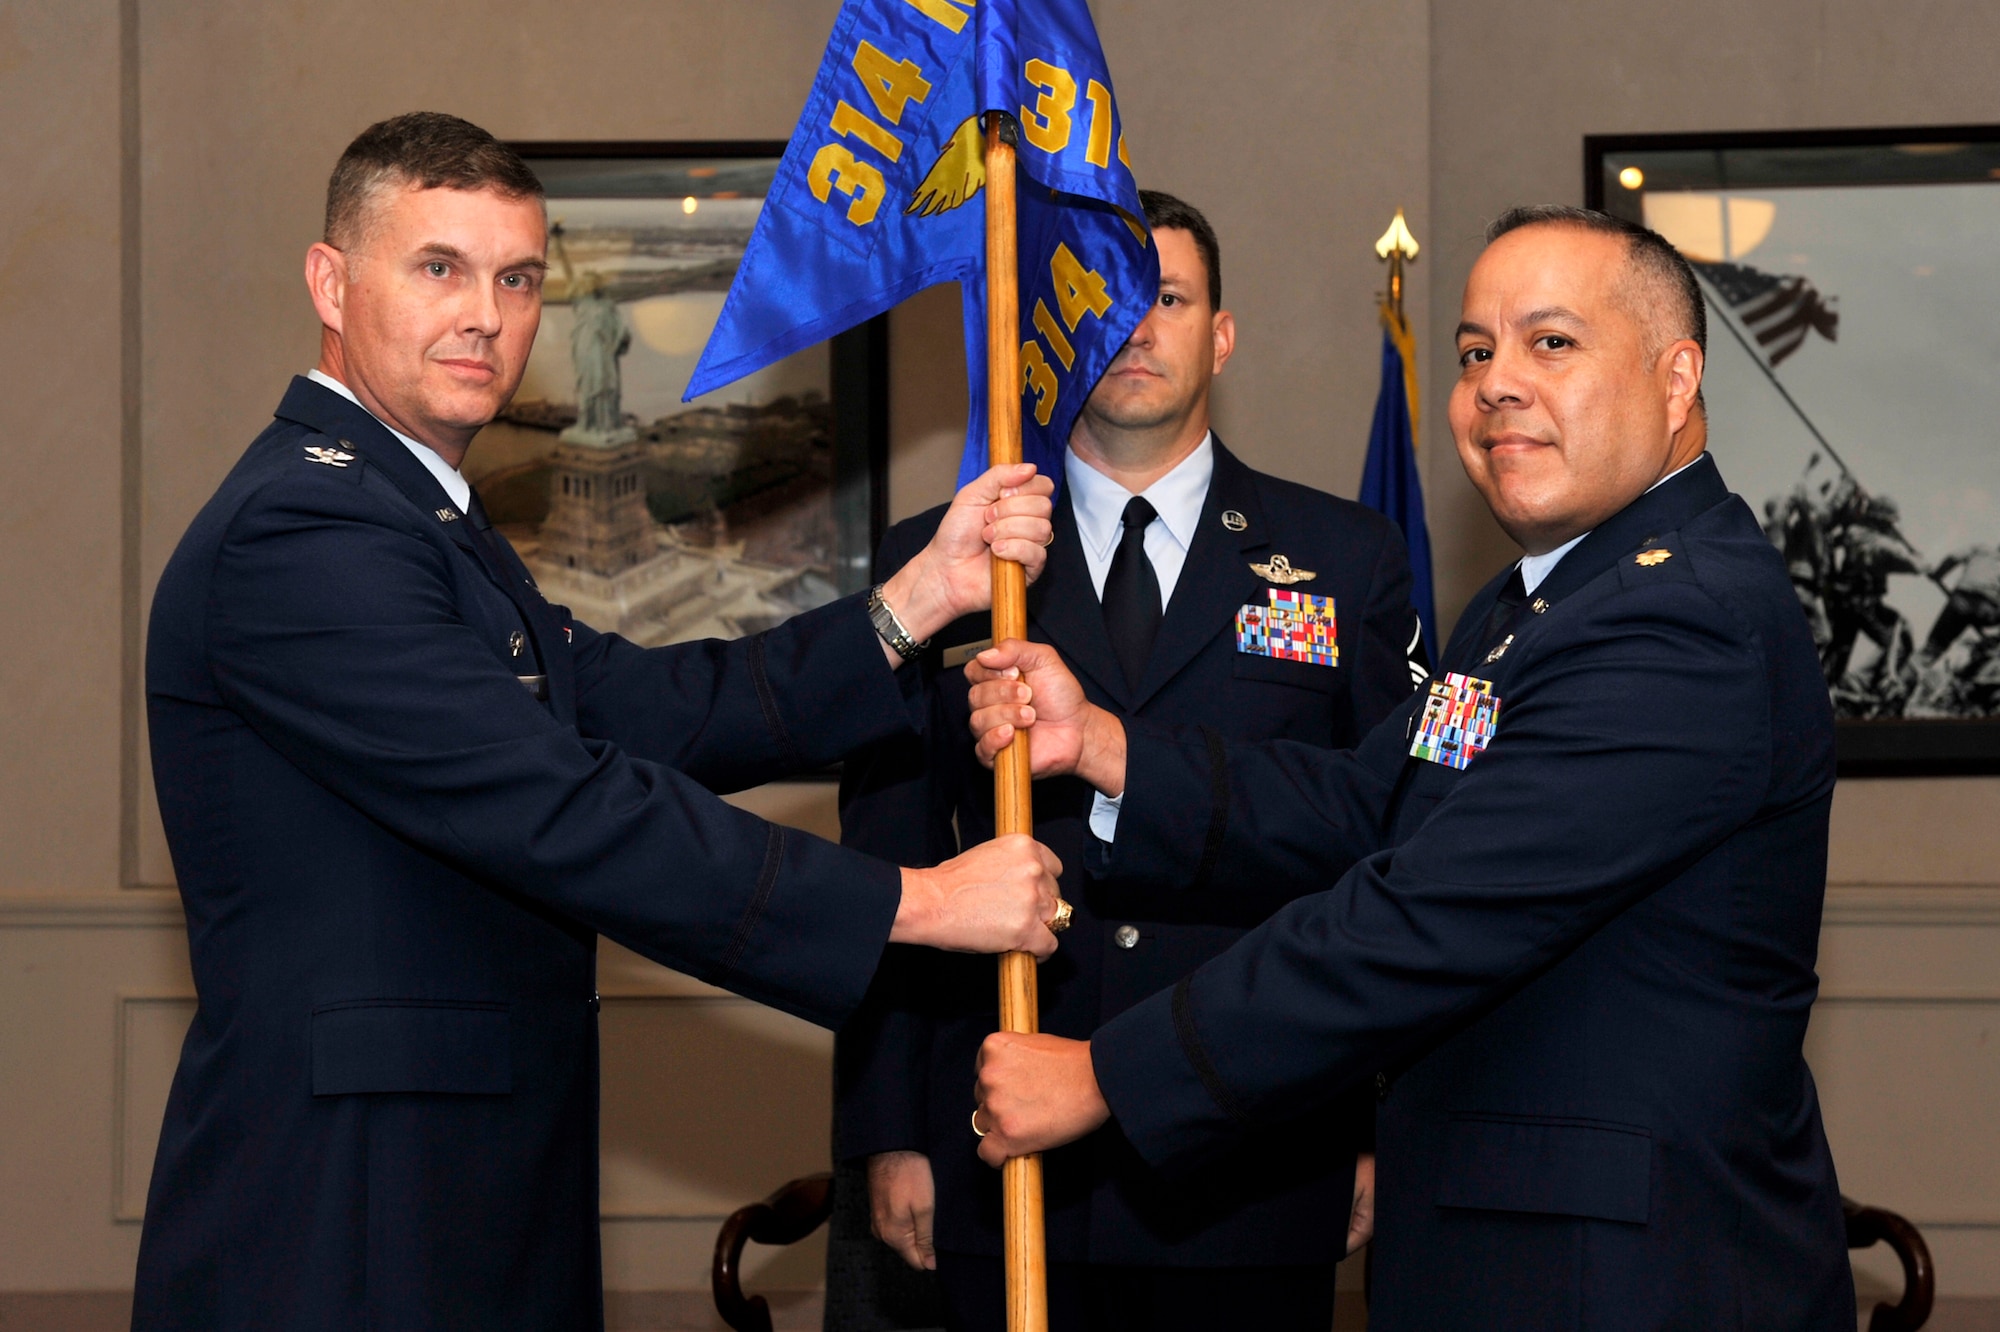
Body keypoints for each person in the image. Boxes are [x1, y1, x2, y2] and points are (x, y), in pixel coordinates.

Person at [136, 112, 1067, 1332]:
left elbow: (657, 709)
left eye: (518, 278)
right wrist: (921, 903)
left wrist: (917, 599)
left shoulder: (422, 524)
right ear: (330, 280)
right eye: (439, 268)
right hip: (350, 1205)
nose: (486, 314)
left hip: (455, 1173)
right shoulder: (304, 535)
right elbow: (561, 805)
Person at [966, 206, 1856, 1330]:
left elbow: (1431, 909)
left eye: (1550, 343)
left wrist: (1107, 1074)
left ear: (1675, 380)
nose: (1494, 384)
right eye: (1475, 352)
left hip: (1620, 1274)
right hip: (1499, 1244)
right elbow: (1366, 804)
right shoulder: (1528, 606)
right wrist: (1099, 744)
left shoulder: (1681, 622)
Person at [828, 191, 1425, 1332]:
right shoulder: (946, 563)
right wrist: (885, 1129)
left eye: (1168, 298)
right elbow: (886, 857)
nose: (1137, 327)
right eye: (1101, 298)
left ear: (1220, 332)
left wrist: (1372, 1121)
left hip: (1257, 1143)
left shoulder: (1344, 557)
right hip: (994, 1139)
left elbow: (1389, 854)